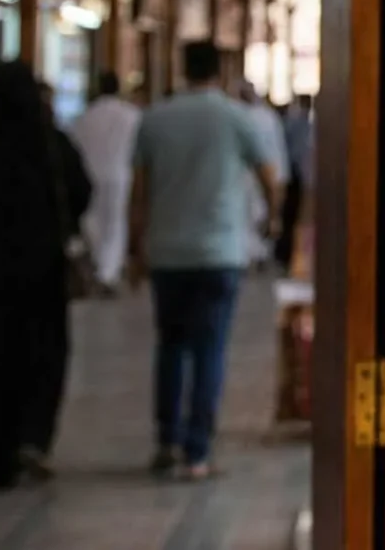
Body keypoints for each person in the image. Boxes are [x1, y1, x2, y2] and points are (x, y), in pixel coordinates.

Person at [132, 41, 281, 480]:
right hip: (219, 251)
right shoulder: (235, 117)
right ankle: (198, 451)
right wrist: (270, 222)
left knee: (171, 346)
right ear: (220, 70)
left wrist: (135, 246)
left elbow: (139, 191)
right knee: (210, 349)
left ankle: (166, 441)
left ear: (182, 69)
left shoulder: (155, 118)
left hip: (167, 250)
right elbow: (270, 177)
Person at [0, 61, 90, 491]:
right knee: (41, 358)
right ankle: (32, 437)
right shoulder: (53, 148)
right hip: (42, 272)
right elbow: (81, 194)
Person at [68, 72, 141, 292]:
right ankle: (107, 272)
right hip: (119, 174)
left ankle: (98, 266)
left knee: (93, 221)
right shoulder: (131, 115)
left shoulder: (84, 116)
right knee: (115, 222)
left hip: (90, 174)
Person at [241, 83, 289, 271]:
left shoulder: (263, 118)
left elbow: (274, 151)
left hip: (257, 176)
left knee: (259, 215)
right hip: (252, 177)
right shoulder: (263, 118)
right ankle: (255, 254)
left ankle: (258, 254)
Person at [276, 97, 312, 272]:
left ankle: (288, 255)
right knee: (292, 217)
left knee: (291, 217)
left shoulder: (297, 124)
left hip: (295, 175)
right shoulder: (303, 125)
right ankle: (286, 255)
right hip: (298, 175)